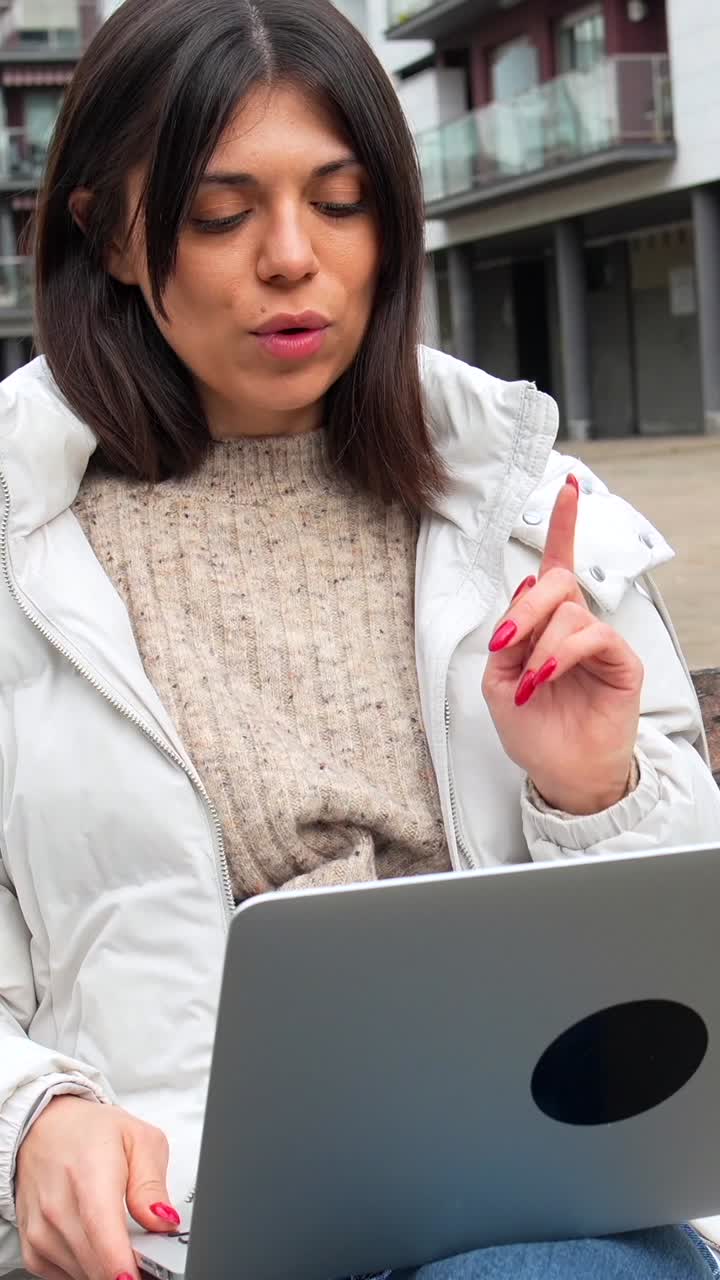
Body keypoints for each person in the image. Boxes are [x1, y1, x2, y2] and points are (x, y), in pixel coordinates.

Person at [1, 1, 719, 1277]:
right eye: (219, 214)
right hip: (175, 1225)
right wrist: (31, 1117)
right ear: (109, 234)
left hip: (532, 1200)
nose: (294, 258)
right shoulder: (20, 546)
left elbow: (686, 983)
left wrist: (594, 790)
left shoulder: (526, 511)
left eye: (341, 203)